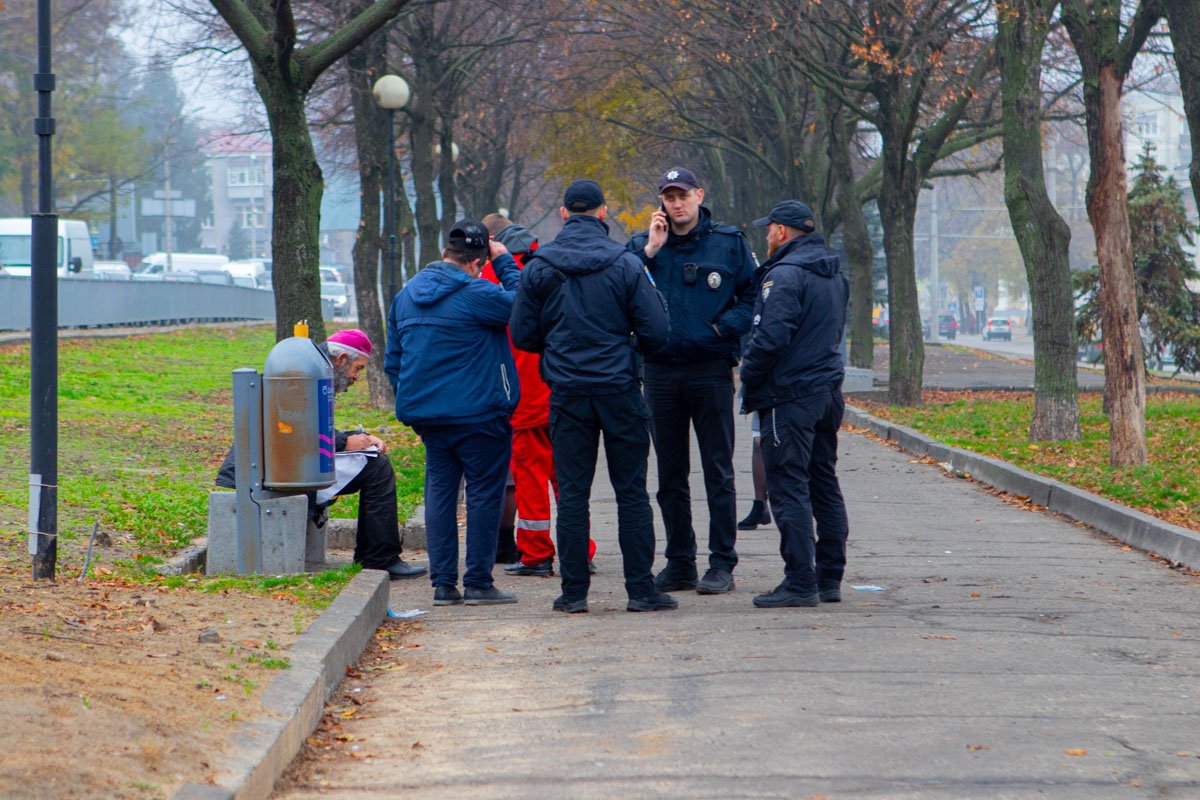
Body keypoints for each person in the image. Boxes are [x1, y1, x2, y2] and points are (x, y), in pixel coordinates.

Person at [510, 179, 675, 614]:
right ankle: (640, 591)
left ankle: (573, 594)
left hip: (566, 394)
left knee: (573, 494)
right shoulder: (625, 264)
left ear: (564, 214)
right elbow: (657, 331)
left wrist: (560, 345)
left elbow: (523, 335)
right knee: (631, 493)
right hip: (619, 389)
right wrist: (627, 347)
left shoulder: (539, 266)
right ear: (603, 213)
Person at [627, 166, 757, 596]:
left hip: (711, 371)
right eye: (668, 196)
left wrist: (723, 330)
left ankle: (722, 563)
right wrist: (650, 249)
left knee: (718, 471)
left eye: (682, 195)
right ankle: (680, 561)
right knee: (669, 475)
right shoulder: (643, 246)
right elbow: (620, 288)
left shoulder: (729, 243)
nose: (676, 203)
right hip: (660, 372)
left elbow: (752, 296)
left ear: (699, 195)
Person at [214, 329, 426, 581]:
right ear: (342, 358)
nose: (356, 377)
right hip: (274, 468)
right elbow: (297, 428)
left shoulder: (311, 366)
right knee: (377, 467)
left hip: (277, 461)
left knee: (374, 460)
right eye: (357, 368)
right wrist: (346, 441)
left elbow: (303, 425)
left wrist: (360, 439)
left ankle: (377, 557)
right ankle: (379, 559)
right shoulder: (308, 372)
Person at [385, 219, 521, 607]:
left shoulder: (406, 296)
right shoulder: (477, 291)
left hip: (429, 417)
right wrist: (507, 262)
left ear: (445, 254)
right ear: (477, 262)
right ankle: (478, 581)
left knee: (440, 494)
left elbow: (393, 361)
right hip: (480, 414)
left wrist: (415, 398)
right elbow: (522, 304)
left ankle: (443, 584)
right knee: (483, 495)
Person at [739, 200, 849, 609]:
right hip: (825, 391)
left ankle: (801, 581)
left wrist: (749, 376)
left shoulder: (784, 275)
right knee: (823, 480)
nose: (766, 234)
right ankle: (829, 577)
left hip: (788, 394)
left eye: (769, 229)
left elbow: (770, 337)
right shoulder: (833, 272)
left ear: (782, 232)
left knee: (787, 485)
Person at [481, 213, 598, 577]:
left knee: (530, 479)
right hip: (565, 390)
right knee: (569, 480)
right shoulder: (554, 267)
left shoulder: (493, 275)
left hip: (523, 397)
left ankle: (535, 555)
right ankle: (581, 550)